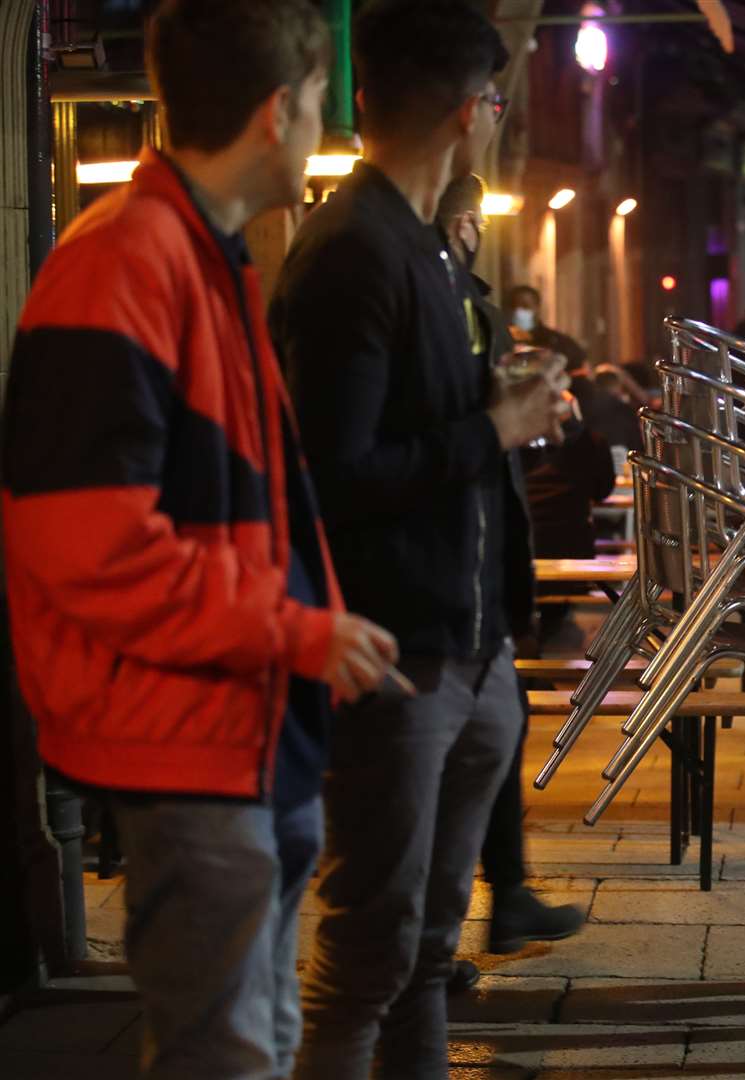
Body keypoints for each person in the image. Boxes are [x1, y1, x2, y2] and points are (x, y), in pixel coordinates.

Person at [1, 2, 401, 1075]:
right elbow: (92, 545)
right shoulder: (127, 261)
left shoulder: (185, 253)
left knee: (249, 1043)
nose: (328, 131)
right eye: (322, 107)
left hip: (233, 726)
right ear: (279, 114)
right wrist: (291, 631)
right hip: (189, 732)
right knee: (225, 1053)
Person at [269, 3, 565, 1075]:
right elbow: (331, 476)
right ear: (464, 111)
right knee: (369, 952)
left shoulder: (427, 245)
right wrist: (495, 425)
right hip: (396, 651)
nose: (492, 121)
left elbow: (414, 422)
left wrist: (499, 401)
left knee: (427, 950)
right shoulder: (355, 250)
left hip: (467, 646)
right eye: (493, 101)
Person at [433, 174, 588, 998]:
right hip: (443, 575)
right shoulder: (416, 282)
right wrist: (504, 418)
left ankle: (500, 900)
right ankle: (426, 950)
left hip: (485, 566)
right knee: (454, 753)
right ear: (462, 219)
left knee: (494, 729)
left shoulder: (458, 291)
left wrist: (518, 411)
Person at [505, 282, 587, 367]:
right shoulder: (501, 341)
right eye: (513, 306)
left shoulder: (556, 342)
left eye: (525, 306)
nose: (518, 311)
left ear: (537, 308)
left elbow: (579, 369)